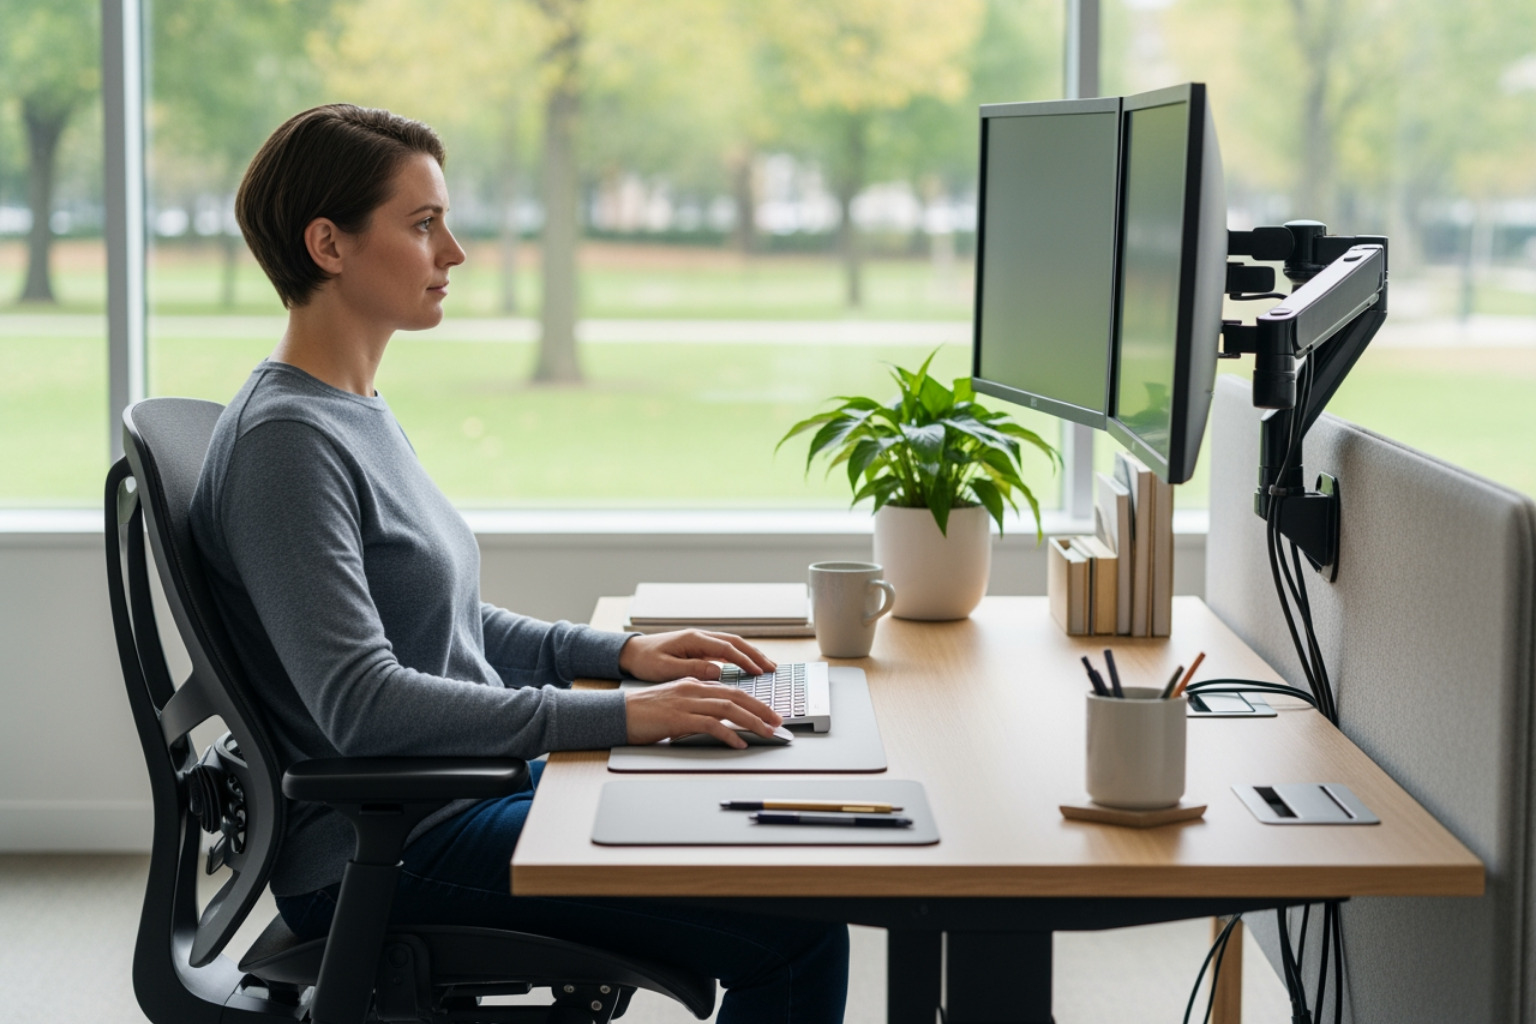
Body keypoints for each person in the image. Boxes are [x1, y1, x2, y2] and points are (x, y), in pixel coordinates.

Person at [189, 103, 848, 1023]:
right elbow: (363, 703)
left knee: (740, 794)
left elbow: (443, 621)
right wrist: (621, 716)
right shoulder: (286, 444)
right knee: (800, 928)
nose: (453, 252)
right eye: (424, 226)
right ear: (328, 245)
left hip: (459, 794)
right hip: (392, 847)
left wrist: (617, 657)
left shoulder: (351, 409)